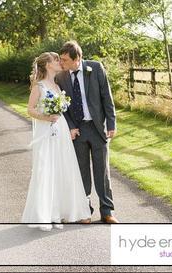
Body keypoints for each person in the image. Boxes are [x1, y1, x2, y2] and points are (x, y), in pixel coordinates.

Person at [22, 52, 91, 232]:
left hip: (60, 130)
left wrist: (68, 127)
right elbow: (30, 110)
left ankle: (61, 211)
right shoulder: (39, 86)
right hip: (47, 130)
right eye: (55, 60)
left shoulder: (57, 85)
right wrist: (45, 116)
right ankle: (47, 213)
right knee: (47, 168)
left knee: (62, 167)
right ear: (47, 65)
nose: (59, 62)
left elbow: (63, 112)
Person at [55, 41, 118, 224]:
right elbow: (62, 108)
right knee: (81, 172)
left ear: (78, 58)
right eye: (61, 59)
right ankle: (85, 211)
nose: (62, 63)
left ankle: (107, 212)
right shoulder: (61, 77)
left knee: (102, 172)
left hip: (98, 128)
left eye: (65, 60)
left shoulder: (95, 68)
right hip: (78, 130)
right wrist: (70, 126)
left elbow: (107, 96)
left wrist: (111, 123)